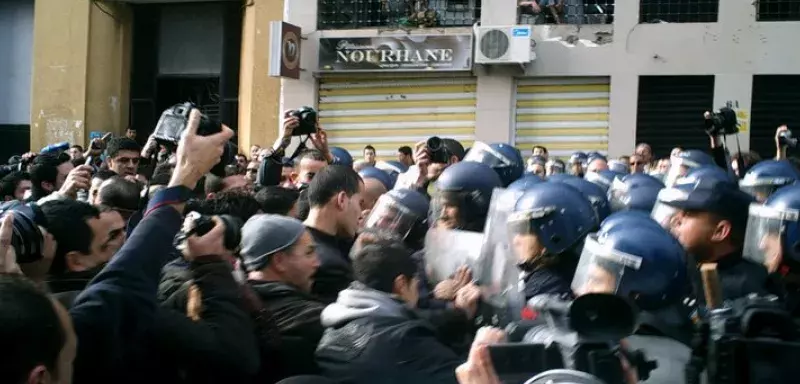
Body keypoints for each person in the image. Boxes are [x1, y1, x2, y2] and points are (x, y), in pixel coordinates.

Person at [315, 239, 471, 384]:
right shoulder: (403, 341)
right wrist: (482, 343)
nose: (418, 292)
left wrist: (460, 313)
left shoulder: (335, 327)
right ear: (401, 284)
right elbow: (467, 376)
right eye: (416, 285)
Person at [653, 174, 769, 302]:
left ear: (720, 231)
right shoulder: (688, 261)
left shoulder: (744, 291)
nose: (675, 220)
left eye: (688, 214)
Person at [242, 214, 326, 380]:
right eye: (309, 253)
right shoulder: (306, 317)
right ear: (279, 261)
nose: (317, 263)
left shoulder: (238, 299)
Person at [508, 182, 596, 299]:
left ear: (554, 235)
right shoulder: (571, 274)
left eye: (523, 231)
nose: (516, 241)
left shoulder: (546, 291)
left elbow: (525, 314)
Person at [304, 165, 364, 303]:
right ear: (342, 200)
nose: (361, 213)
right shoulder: (331, 266)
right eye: (360, 203)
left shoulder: (293, 237)